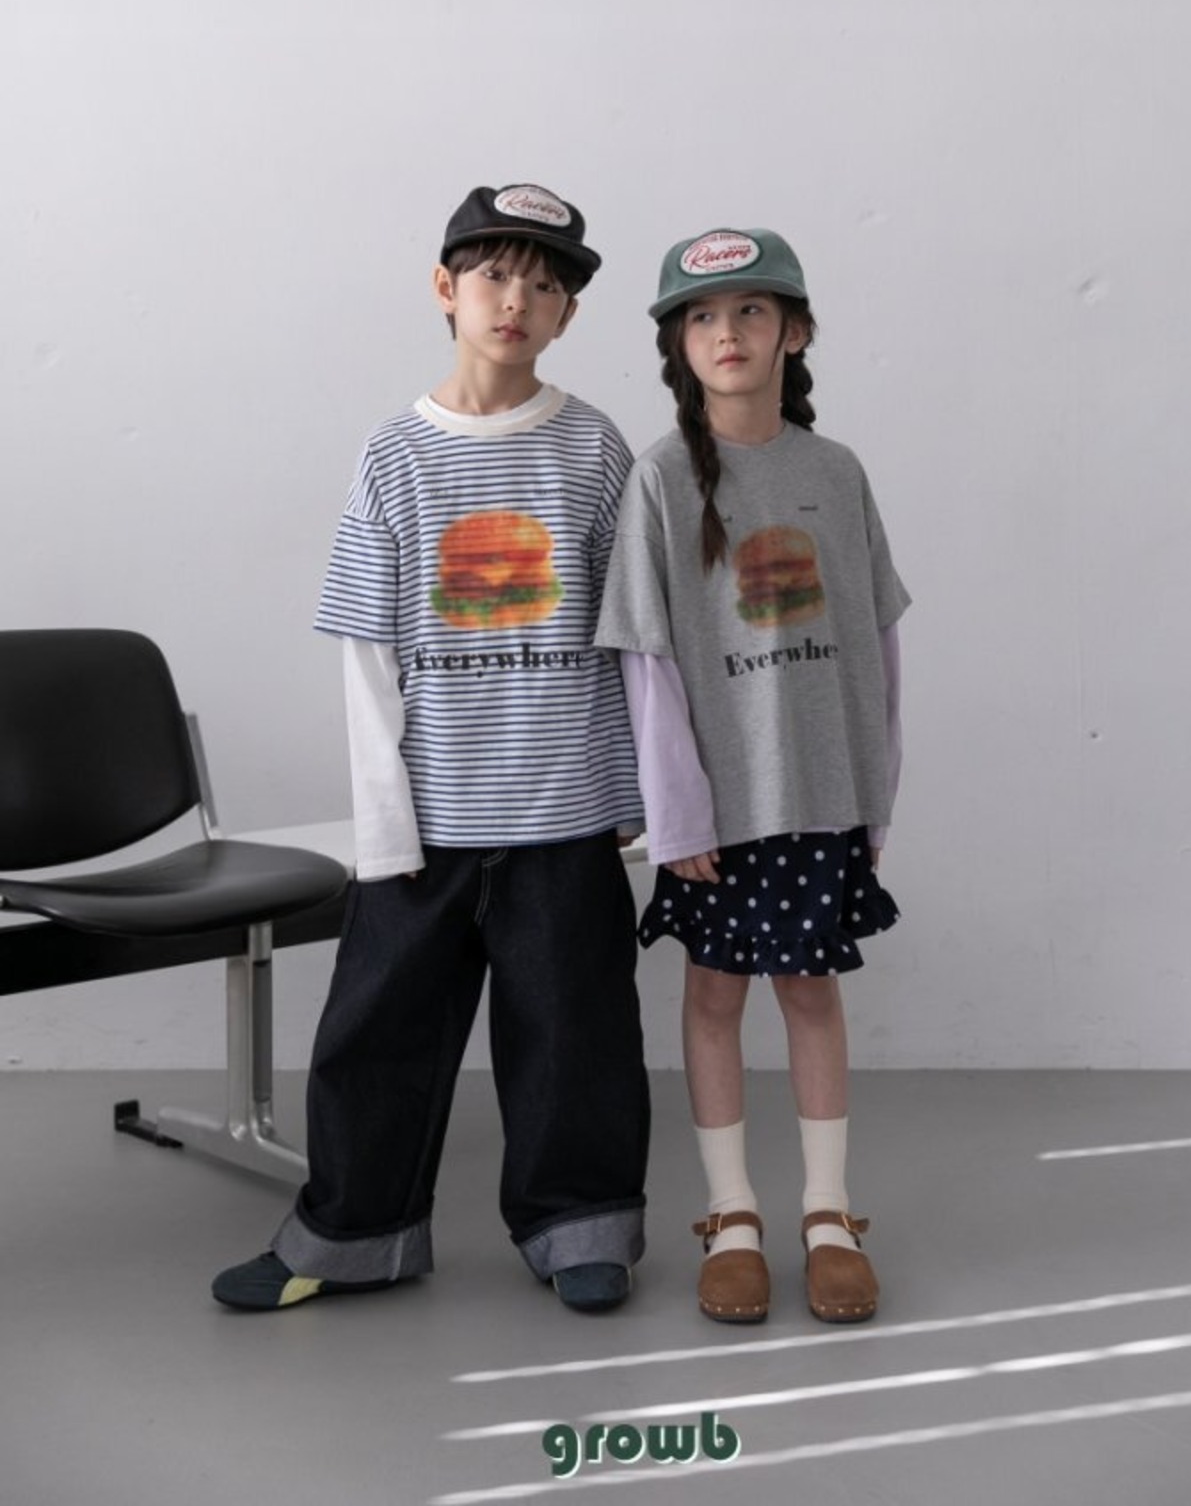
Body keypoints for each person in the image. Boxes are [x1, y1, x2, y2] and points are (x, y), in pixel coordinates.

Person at [213, 183, 649, 1314]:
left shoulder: (594, 447)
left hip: (563, 809)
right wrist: (382, 827)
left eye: (544, 286)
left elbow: (634, 636)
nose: (516, 301)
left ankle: (580, 1225)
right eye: (495, 275)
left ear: (566, 315)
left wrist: (639, 791)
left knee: (576, 1033)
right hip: (429, 817)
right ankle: (354, 1234)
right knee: (378, 1032)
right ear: (445, 287)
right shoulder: (395, 453)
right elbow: (366, 652)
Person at [596, 226, 908, 1325]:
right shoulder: (658, 479)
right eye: (700, 317)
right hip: (717, 809)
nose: (724, 333)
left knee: (811, 992)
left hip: (821, 792)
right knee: (714, 994)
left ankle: (827, 1214)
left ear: (795, 331)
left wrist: (874, 791)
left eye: (749, 311)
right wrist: (675, 811)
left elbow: (877, 642)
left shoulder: (836, 471)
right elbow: (644, 661)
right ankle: (731, 1215)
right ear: (677, 345)